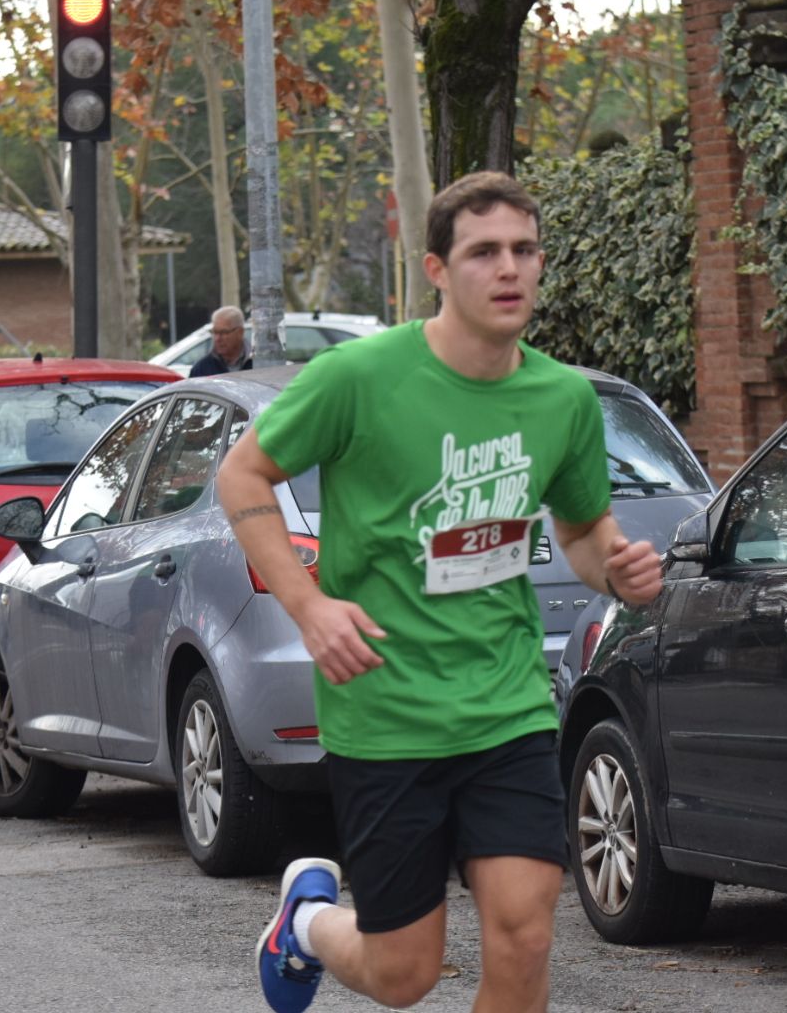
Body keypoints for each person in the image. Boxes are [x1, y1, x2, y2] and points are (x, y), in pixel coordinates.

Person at [217, 171, 664, 1013]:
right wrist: (310, 607)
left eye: (525, 250)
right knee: (404, 975)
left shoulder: (562, 398)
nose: (509, 269)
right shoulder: (360, 377)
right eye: (484, 252)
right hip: (385, 715)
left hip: (506, 706)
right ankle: (307, 924)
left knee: (526, 935)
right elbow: (242, 476)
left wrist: (618, 568)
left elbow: (580, 533)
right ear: (436, 269)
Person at [189, 306, 254, 377]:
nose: (218, 338)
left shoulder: (258, 364)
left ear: (240, 332)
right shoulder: (201, 369)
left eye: (223, 332)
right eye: (215, 332)